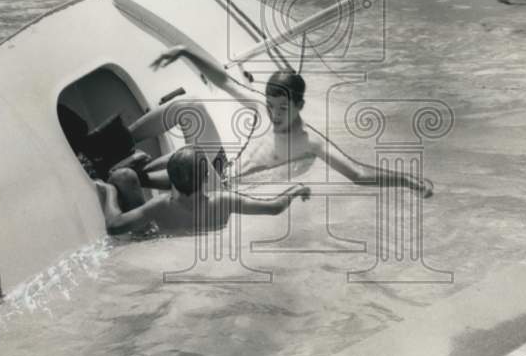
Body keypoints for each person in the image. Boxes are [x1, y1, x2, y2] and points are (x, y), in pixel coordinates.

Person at [150, 45, 434, 198]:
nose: (274, 114)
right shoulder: (261, 108)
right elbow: (222, 80)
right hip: (217, 170)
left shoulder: (310, 142)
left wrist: (405, 179)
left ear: (299, 106)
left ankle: (138, 173)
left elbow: (357, 174)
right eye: (271, 106)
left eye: (283, 108)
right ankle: (122, 143)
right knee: (189, 107)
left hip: (223, 191)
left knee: (177, 165)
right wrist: (185, 51)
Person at [95, 146, 311, 237]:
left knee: (123, 178)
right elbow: (274, 208)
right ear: (207, 177)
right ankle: (133, 172)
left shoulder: (160, 206)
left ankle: (127, 173)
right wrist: (296, 189)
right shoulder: (224, 201)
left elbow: (114, 226)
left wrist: (109, 192)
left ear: (170, 180)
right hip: (206, 247)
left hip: (161, 241)